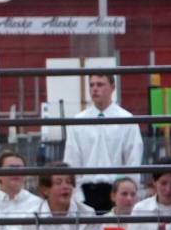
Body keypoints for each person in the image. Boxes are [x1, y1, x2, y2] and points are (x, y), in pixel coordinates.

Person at [61, 73, 144, 213]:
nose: (94, 89)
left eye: (100, 84)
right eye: (92, 85)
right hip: (85, 192)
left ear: (112, 87)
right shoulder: (77, 121)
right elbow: (72, 160)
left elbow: (133, 160)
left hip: (116, 191)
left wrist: (128, 194)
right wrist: (76, 195)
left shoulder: (127, 119)